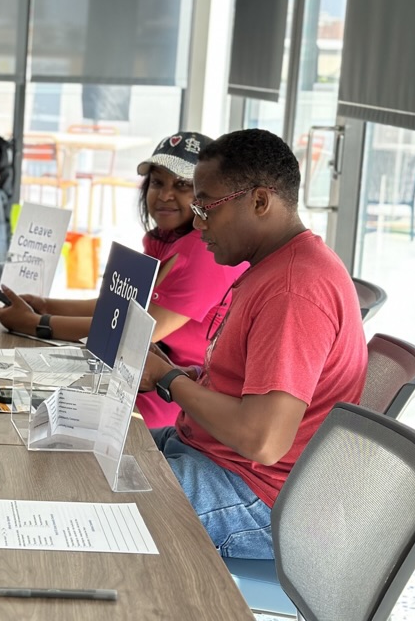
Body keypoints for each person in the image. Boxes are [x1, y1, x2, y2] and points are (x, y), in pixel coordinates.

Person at [141, 128, 367, 559]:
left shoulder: (293, 289)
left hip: (258, 497)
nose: (198, 222)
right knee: (85, 455)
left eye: (206, 207)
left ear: (260, 201)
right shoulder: (272, 265)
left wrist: (169, 379)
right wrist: (192, 380)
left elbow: (263, 439)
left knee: (93, 504)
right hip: (213, 454)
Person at [0, 132, 247, 428]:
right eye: (156, 182)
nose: (164, 195)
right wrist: (45, 305)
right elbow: (120, 306)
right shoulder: (165, 239)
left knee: (33, 416)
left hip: (172, 396)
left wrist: (39, 323)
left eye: (182, 185)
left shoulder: (204, 252)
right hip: (137, 375)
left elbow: (132, 332)